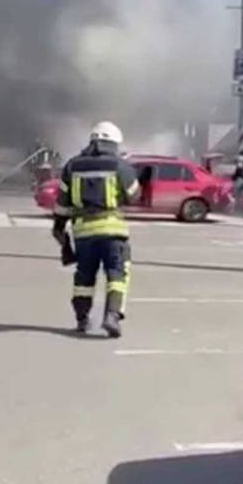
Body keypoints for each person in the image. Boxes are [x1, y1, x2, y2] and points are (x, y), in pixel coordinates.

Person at [52, 121, 140, 338]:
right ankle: (112, 315)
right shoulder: (119, 165)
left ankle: (82, 318)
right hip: (113, 231)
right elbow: (134, 195)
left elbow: (62, 203)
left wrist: (59, 229)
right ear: (114, 143)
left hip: (83, 233)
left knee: (84, 277)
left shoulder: (72, 166)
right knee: (117, 274)